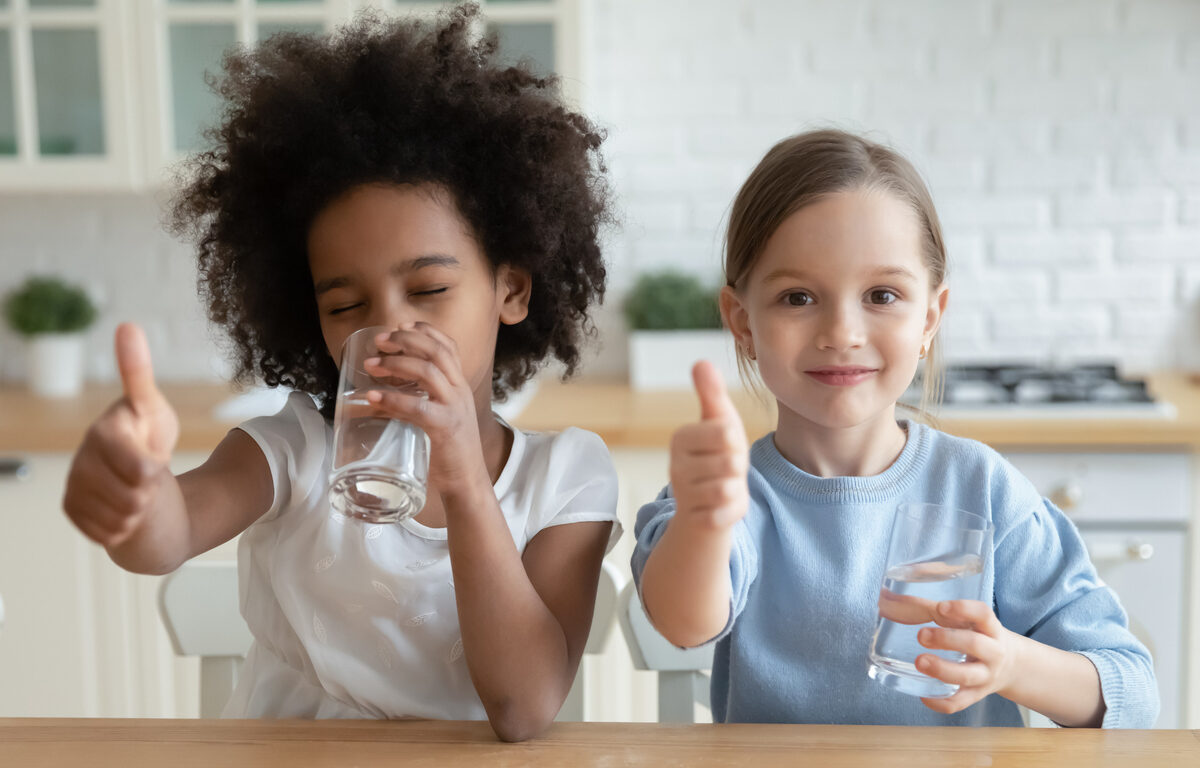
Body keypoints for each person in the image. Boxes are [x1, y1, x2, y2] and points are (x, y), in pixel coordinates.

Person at [62, 4, 620, 741]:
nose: (386, 330)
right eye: (346, 303)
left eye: (428, 290)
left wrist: (458, 471)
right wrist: (135, 497)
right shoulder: (294, 451)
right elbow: (168, 533)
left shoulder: (567, 478)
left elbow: (521, 708)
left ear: (511, 290)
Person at [631, 129, 1158, 728]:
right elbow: (683, 622)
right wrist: (704, 523)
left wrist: (1010, 663)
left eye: (881, 294)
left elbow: (1133, 695)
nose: (843, 331)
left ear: (930, 318)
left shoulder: (982, 489)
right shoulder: (727, 494)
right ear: (742, 323)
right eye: (798, 297)